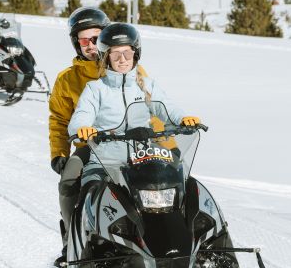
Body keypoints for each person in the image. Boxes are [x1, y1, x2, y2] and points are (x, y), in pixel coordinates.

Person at [58, 21, 200, 240]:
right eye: (115, 54)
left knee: (178, 188)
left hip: (144, 156)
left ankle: (185, 237)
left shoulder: (146, 85)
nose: (122, 59)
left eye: (127, 53)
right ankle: (84, 243)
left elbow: (167, 108)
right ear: (106, 57)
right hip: (105, 158)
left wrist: (183, 119)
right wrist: (82, 128)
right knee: (91, 194)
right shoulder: (96, 89)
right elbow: (80, 116)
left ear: (136, 54)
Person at [48, 6, 109, 176]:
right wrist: (59, 153)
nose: (90, 45)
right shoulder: (67, 79)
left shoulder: (128, 69)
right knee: (69, 181)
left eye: (96, 39)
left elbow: (153, 109)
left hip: (130, 146)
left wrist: (171, 148)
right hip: (89, 149)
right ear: (77, 43)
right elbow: (59, 120)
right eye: (84, 41)